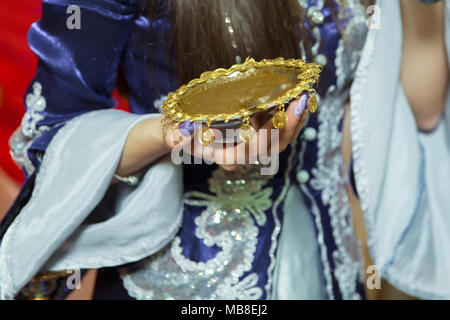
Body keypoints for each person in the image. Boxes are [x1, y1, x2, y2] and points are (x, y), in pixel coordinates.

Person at [0, 0, 448, 300]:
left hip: (332, 265)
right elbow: (54, 135)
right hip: (188, 278)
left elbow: (421, 113)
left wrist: (422, 15)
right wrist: (173, 134)